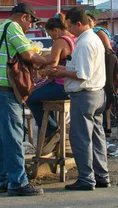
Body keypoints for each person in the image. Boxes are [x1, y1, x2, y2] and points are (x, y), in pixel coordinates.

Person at [0, 3, 47, 197]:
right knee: (13, 138)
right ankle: (18, 182)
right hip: (5, 92)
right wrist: (48, 60)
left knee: (3, 139)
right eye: (30, 21)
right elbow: (28, 54)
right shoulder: (13, 28)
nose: (30, 26)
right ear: (24, 17)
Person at [46, 7, 109, 191]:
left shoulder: (84, 43)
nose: (69, 30)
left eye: (70, 26)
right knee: (97, 137)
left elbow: (83, 74)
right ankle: (101, 175)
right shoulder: (93, 39)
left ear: (78, 24)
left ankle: (86, 178)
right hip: (97, 93)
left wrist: (62, 71)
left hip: (85, 94)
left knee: (81, 138)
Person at [26, 13, 74, 156]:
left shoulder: (60, 41)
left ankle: (51, 131)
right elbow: (52, 58)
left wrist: (39, 67)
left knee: (30, 96)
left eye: (50, 33)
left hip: (61, 86)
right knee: (43, 99)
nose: (50, 37)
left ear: (56, 30)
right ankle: (51, 130)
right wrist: (41, 61)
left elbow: (53, 62)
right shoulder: (72, 39)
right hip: (70, 85)